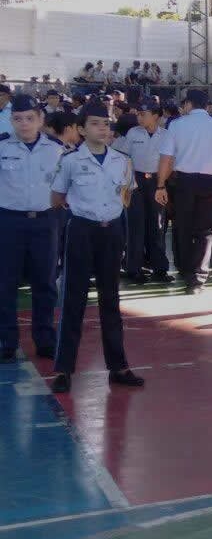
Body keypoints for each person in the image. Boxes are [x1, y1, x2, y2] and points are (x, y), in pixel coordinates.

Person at [48, 101, 145, 393]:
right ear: (79, 129)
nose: (102, 128)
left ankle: (118, 366)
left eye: (106, 123)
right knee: (73, 299)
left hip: (111, 231)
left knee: (110, 299)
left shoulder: (122, 160)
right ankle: (64, 369)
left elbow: (127, 195)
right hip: (82, 230)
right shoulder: (70, 161)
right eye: (94, 123)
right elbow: (56, 198)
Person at [0, 95, 64, 361]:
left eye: (29, 118)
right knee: (5, 283)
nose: (23, 124)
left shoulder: (56, 149)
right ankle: (6, 341)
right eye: (17, 118)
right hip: (8, 221)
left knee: (45, 283)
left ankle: (45, 339)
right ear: (11, 120)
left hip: (45, 221)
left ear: (40, 119)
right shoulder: (2, 147)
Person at [156, 89, 212, 294]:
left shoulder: (176, 125)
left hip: (183, 183)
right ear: (207, 106)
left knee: (182, 229)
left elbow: (166, 159)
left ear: (188, 105)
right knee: (207, 233)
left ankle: (185, 271)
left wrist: (160, 185)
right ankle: (197, 279)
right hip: (211, 184)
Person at [122, 99, 173, 283]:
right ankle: (133, 268)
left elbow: (169, 162)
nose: (139, 117)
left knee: (157, 225)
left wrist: (163, 184)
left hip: (157, 183)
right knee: (136, 226)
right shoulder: (133, 133)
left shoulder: (167, 135)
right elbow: (125, 158)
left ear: (156, 116)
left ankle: (159, 268)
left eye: (144, 114)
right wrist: (127, 184)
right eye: (139, 113)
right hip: (135, 182)